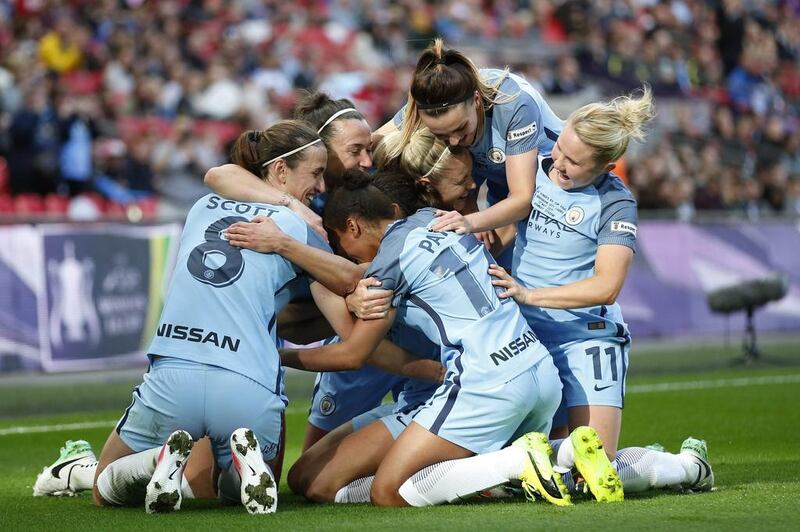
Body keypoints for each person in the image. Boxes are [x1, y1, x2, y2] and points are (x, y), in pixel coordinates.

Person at [274, 171, 588, 508]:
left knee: (388, 492)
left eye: (340, 242)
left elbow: (352, 354)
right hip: (536, 369)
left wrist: (275, 357)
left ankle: (516, 464)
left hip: (485, 384)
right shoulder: (433, 218)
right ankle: (576, 455)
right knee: (310, 479)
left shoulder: (389, 266)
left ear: (353, 226)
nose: (345, 253)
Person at [85, 121, 354, 515]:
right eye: (315, 174)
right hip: (248, 385)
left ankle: (156, 463)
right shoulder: (302, 228)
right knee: (234, 493)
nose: (321, 187)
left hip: (173, 376)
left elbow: (218, 175)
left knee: (104, 485)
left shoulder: (201, 206)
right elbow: (346, 285)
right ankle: (242, 472)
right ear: (280, 171)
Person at [488, 87, 714, 497]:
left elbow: (607, 286)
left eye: (574, 162)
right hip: (527, 337)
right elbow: (508, 229)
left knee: (592, 478)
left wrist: (530, 295)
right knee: (526, 467)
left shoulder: (616, 203)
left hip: (585, 338)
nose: (558, 163)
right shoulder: (534, 169)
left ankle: (685, 466)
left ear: (607, 166)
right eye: (560, 148)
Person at [375, 38, 564, 266]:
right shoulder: (431, 101)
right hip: (496, 183)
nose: (454, 141)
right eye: (441, 134)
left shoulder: (514, 103)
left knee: (509, 267)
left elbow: (523, 199)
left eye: (460, 128)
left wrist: (472, 221)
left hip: (552, 193)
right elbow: (369, 142)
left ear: (476, 101)